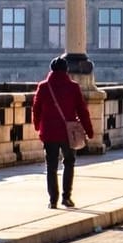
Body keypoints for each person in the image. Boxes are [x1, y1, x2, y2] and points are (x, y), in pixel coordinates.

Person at [31, 56, 93, 208]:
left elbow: (36, 108)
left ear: (51, 70)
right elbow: (82, 111)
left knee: (51, 166)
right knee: (69, 163)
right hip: (68, 133)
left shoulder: (44, 87)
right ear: (67, 70)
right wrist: (89, 131)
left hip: (49, 133)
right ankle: (66, 197)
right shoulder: (73, 87)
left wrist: (37, 125)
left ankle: (53, 200)